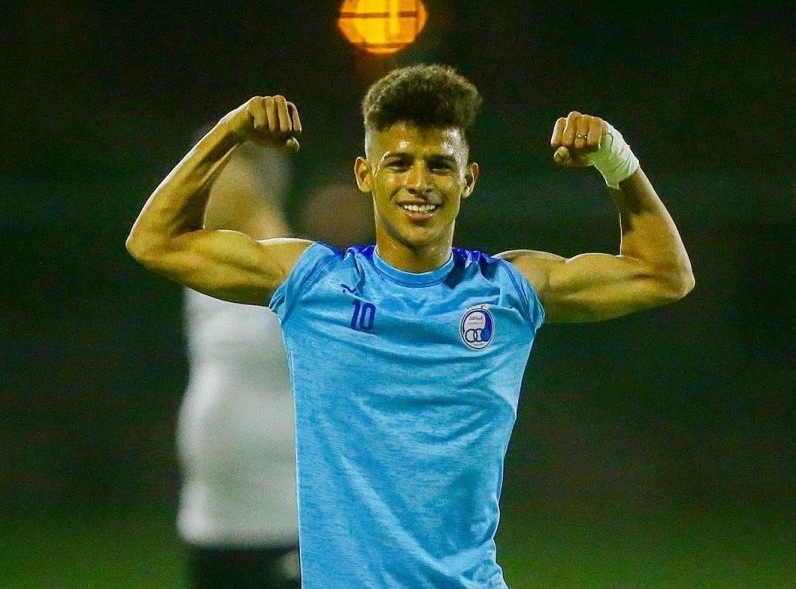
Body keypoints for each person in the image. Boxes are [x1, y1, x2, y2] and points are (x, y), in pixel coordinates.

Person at [127, 64, 694, 588]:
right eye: (399, 163)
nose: (419, 182)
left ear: (468, 179)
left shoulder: (508, 289)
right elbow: (155, 241)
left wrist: (616, 161)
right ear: (366, 175)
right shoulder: (315, 283)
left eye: (439, 165)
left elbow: (663, 275)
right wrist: (229, 134)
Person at [176, 140, 300, 589]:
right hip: (211, 517)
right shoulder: (203, 271)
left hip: (283, 515)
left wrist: (258, 211)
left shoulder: (294, 271)